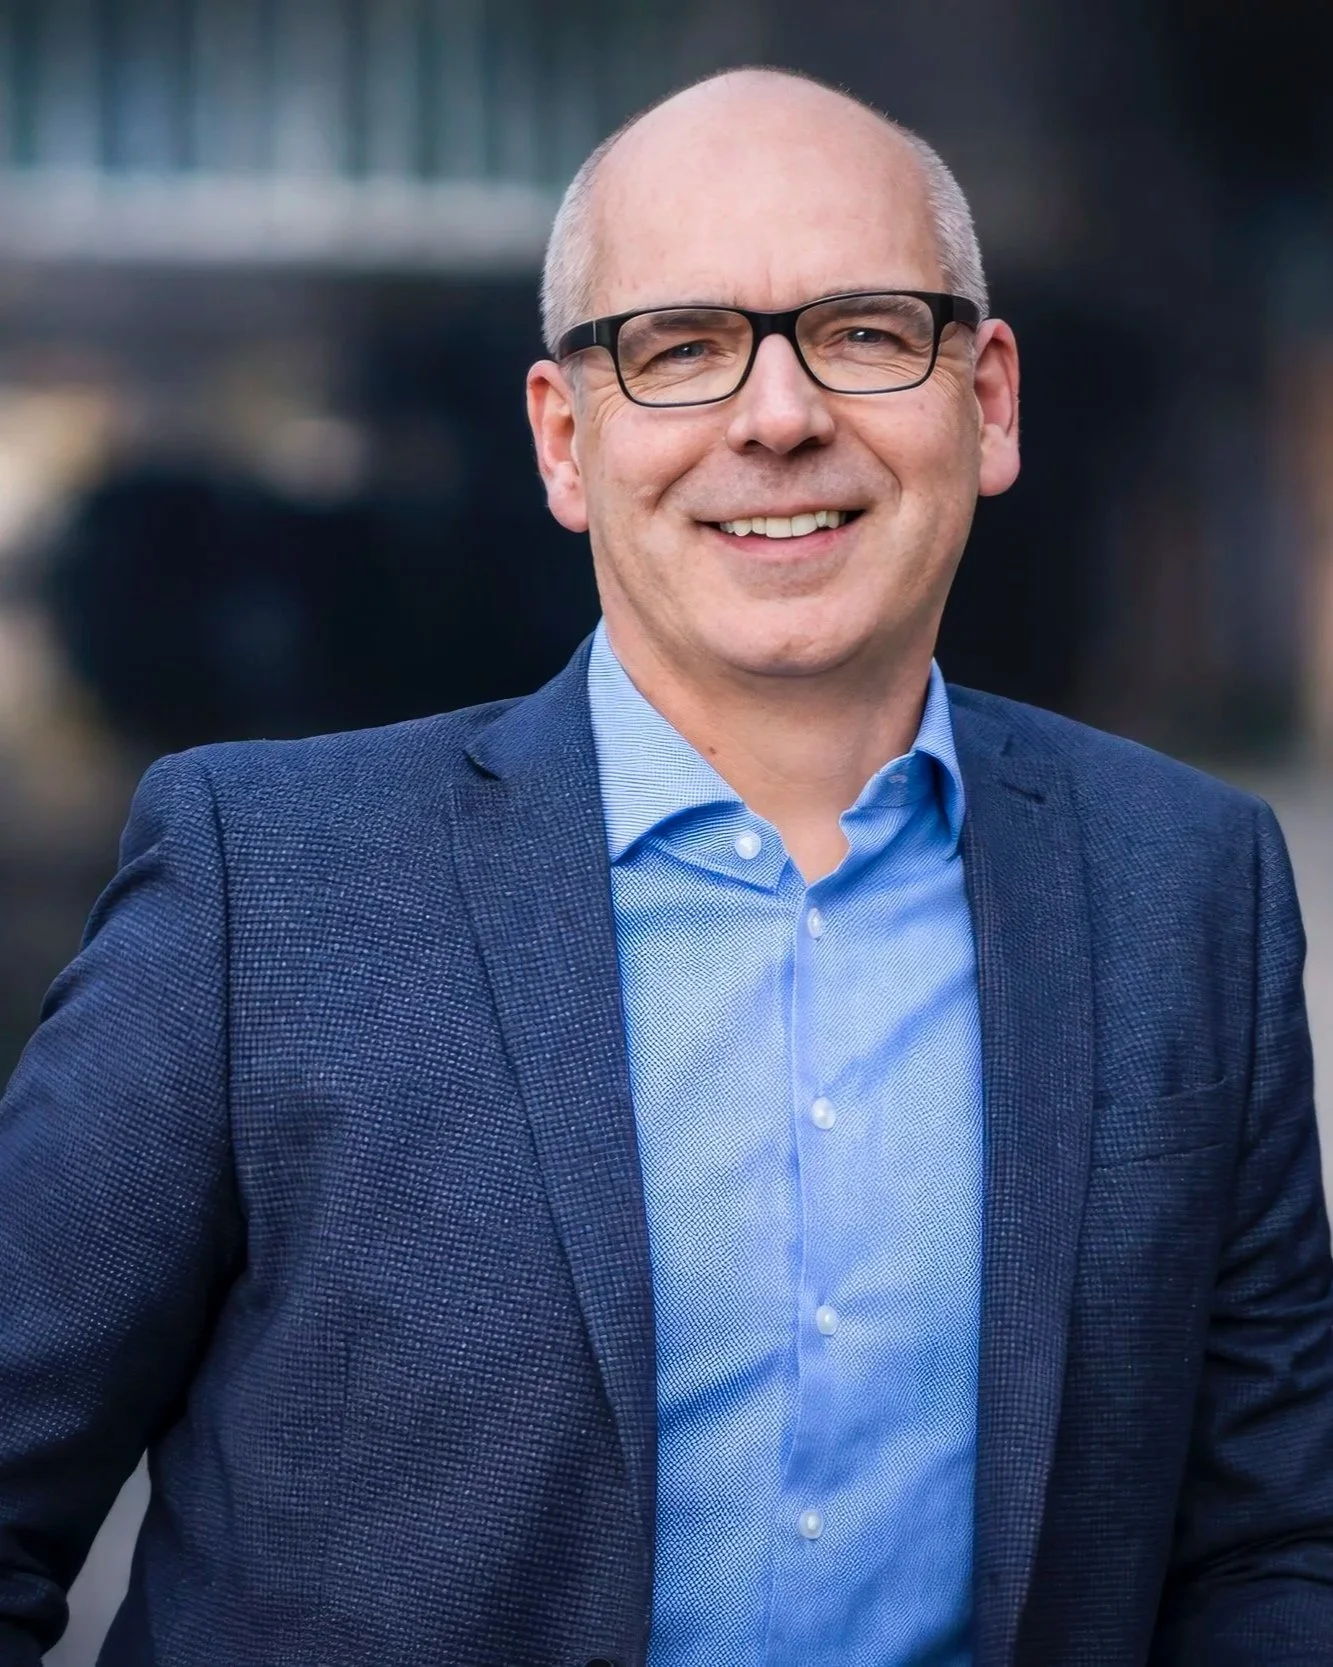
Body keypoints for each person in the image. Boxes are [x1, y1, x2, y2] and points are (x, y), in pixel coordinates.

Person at [1, 67, 1330, 1667]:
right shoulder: (261, 888)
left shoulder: (1192, 885)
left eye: (862, 330)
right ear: (568, 441)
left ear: (988, 403)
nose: (779, 417)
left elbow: (1266, 1546)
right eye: (682, 348)